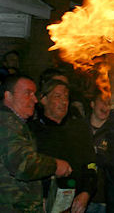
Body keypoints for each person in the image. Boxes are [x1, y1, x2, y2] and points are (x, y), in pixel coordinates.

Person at [0, 74, 72, 212]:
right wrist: (55, 165)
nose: (34, 99)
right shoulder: (7, 125)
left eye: (34, 94)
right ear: (8, 96)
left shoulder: (17, 125)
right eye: (28, 93)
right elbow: (22, 164)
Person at [28, 79, 97, 213]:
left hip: (75, 204)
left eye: (66, 97)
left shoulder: (79, 128)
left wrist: (86, 193)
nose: (64, 101)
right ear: (43, 100)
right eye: (57, 96)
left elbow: (91, 164)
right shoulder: (31, 130)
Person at [86, 90, 112, 213]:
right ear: (92, 104)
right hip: (77, 197)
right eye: (102, 101)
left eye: (109, 103)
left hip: (103, 200)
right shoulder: (79, 128)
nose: (106, 106)